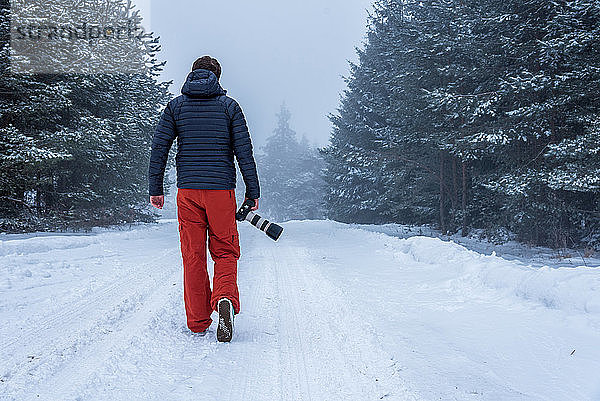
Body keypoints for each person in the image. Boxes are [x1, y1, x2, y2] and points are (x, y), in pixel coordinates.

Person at [148, 56, 260, 342]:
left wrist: (155, 188)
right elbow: (244, 153)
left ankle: (198, 322)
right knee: (225, 250)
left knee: (193, 254)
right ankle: (224, 298)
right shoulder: (229, 107)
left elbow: (159, 148)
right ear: (218, 77)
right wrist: (252, 192)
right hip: (221, 191)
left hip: (188, 191)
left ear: (192, 74)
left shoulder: (176, 107)